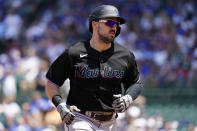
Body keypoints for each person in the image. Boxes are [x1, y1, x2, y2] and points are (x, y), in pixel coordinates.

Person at [45, 5, 142, 131]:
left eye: (117, 23)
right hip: (80, 119)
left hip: (111, 123)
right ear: (95, 24)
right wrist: (60, 105)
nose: (114, 26)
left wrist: (128, 98)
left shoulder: (125, 55)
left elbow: (136, 83)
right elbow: (52, 82)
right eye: (110, 22)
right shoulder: (74, 53)